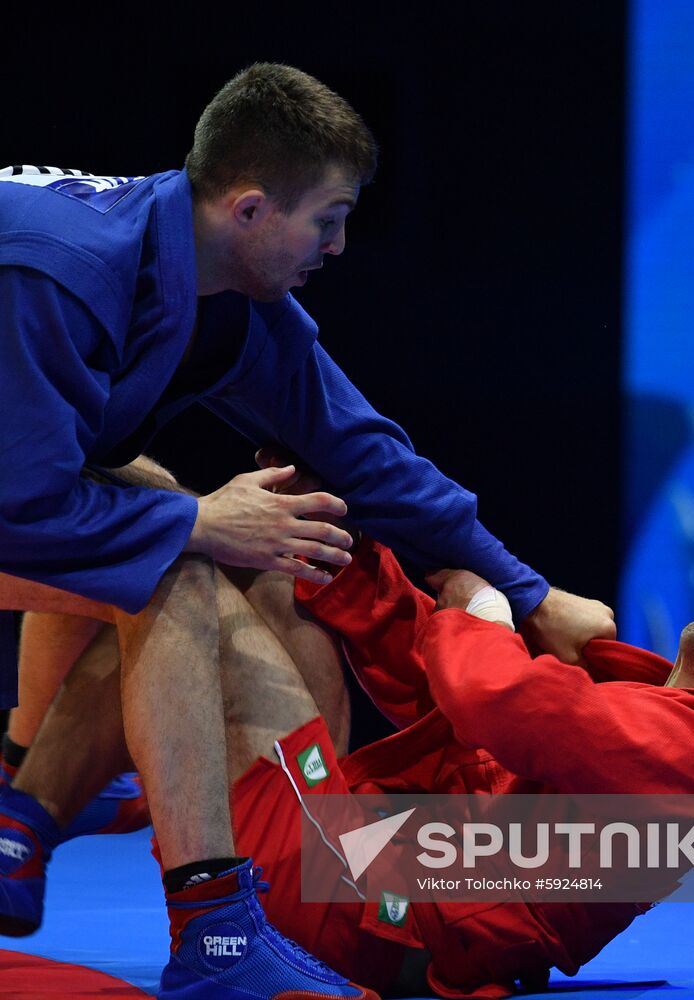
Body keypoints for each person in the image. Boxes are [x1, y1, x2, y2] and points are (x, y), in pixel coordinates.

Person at [0, 63, 614, 998]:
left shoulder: (221, 298)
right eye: (326, 218)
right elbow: (21, 511)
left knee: (149, 500)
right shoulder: (61, 273)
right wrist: (199, 521)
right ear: (249, 209)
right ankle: (213, 935)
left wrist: (530, 593)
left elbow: (369, 457)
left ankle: (20, 811)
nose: (337, 245)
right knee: (180, 561)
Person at [0, 467, 694, 998]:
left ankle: (31, 810)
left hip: (353, 899)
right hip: (365, 871)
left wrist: (484, 608)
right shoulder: (645, 708)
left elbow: (491, 697)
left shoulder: (689, 754)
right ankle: (81, 782)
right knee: (280, 569)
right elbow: (438, 686)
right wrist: (344, 551)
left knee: (161, 529)